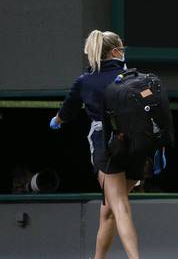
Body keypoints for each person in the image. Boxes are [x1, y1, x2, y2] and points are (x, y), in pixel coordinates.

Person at [49, 30, 140, 259]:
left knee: (118, 205)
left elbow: (67, 112)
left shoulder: (85, 80)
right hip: (136, 146)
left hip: (107, 145)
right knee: (108, 209)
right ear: (115, 51)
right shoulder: (132, 77)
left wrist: (56, 121)